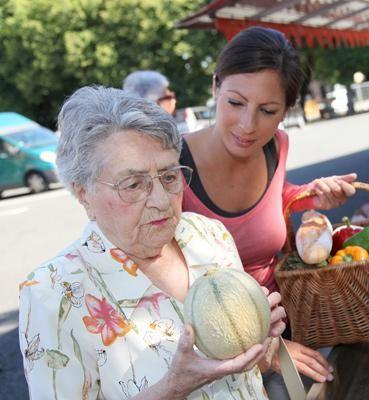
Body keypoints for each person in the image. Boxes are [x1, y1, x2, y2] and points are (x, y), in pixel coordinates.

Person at [18, 86, 287, 399]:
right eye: (134, 184)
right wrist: (173, 388)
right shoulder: (52, 294)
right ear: (83, 193)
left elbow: (249, 376)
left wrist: (260, 344)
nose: (161, 200)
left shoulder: (209, 236)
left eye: (170, 176)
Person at [178, 26, 356, 396]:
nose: (247, 125)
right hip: (211, 356)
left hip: (285, 325)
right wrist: (265, 353)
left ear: (286, 112)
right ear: (215, 87)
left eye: (267, 110)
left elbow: (274, 200)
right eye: (235, 103)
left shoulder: (276, 146)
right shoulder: (172, 167)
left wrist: (309, 198)